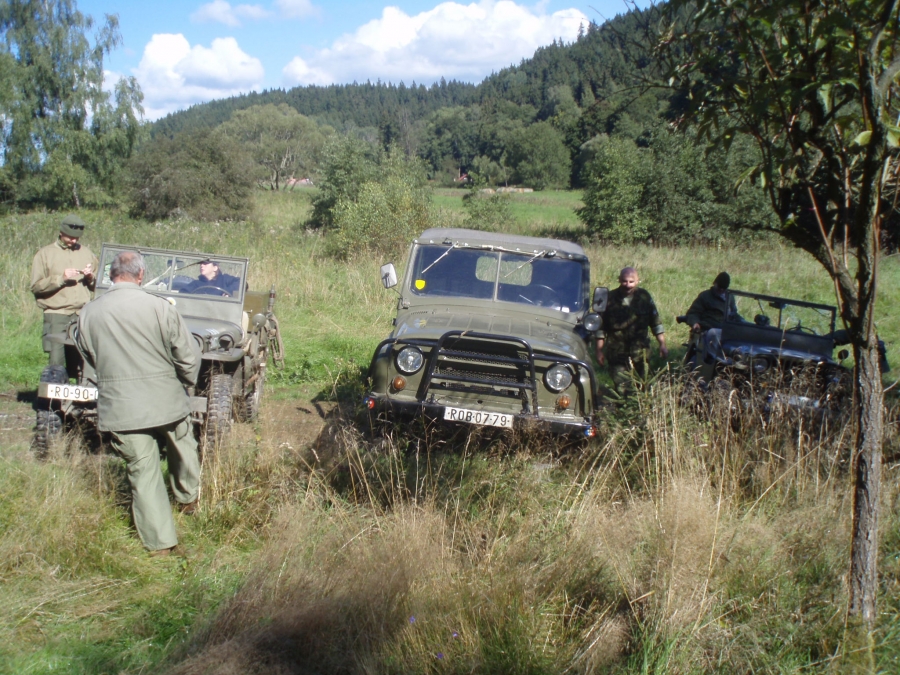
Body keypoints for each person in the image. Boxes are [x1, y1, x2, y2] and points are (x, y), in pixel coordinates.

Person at [77, 251, 201, 557]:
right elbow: (187, 356)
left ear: (111, 274)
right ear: (141, 275)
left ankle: (160, 546)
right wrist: (185, 383)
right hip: (166, 399)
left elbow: (89, 357)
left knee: (142, 471)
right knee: (183, 445)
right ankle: (188, 500)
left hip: (121, 406)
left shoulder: (88, 313)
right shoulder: (160, 307)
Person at [31, 215, 99, 367]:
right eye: (70, 237)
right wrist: (60, 279)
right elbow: (36, 286)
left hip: (81, 315)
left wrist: (90, 277)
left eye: (77, 238)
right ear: (61, 233)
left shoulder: (87, 253)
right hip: (57, 315)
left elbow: (97, 286)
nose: (74, 241)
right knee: (56, 363)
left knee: (82, 363)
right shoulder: (45, 254)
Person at [595, 267, 668, 396]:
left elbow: (655, 322)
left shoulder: (644, 297)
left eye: (631, 281)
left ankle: (641, 407)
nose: (628, 285)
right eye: (624, 281)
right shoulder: (609, 299)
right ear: (619, 280)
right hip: (617, 352)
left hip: (640, 352)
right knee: (622, 388)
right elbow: (600, 327)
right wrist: (599, 350)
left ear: (638, 281)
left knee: (644, 386)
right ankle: (623, 406)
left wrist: (662, 344)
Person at [683, 271, 740, 382]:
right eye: (719, 287)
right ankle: (714, 361)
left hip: (725, 331)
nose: (721, 290)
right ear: (715, 283)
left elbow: (734, 314)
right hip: (707, 329)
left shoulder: (730, 298)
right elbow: (693, 313)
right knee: (713, 333)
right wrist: (695, 323)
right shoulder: (705, 296)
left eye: (724, 289)